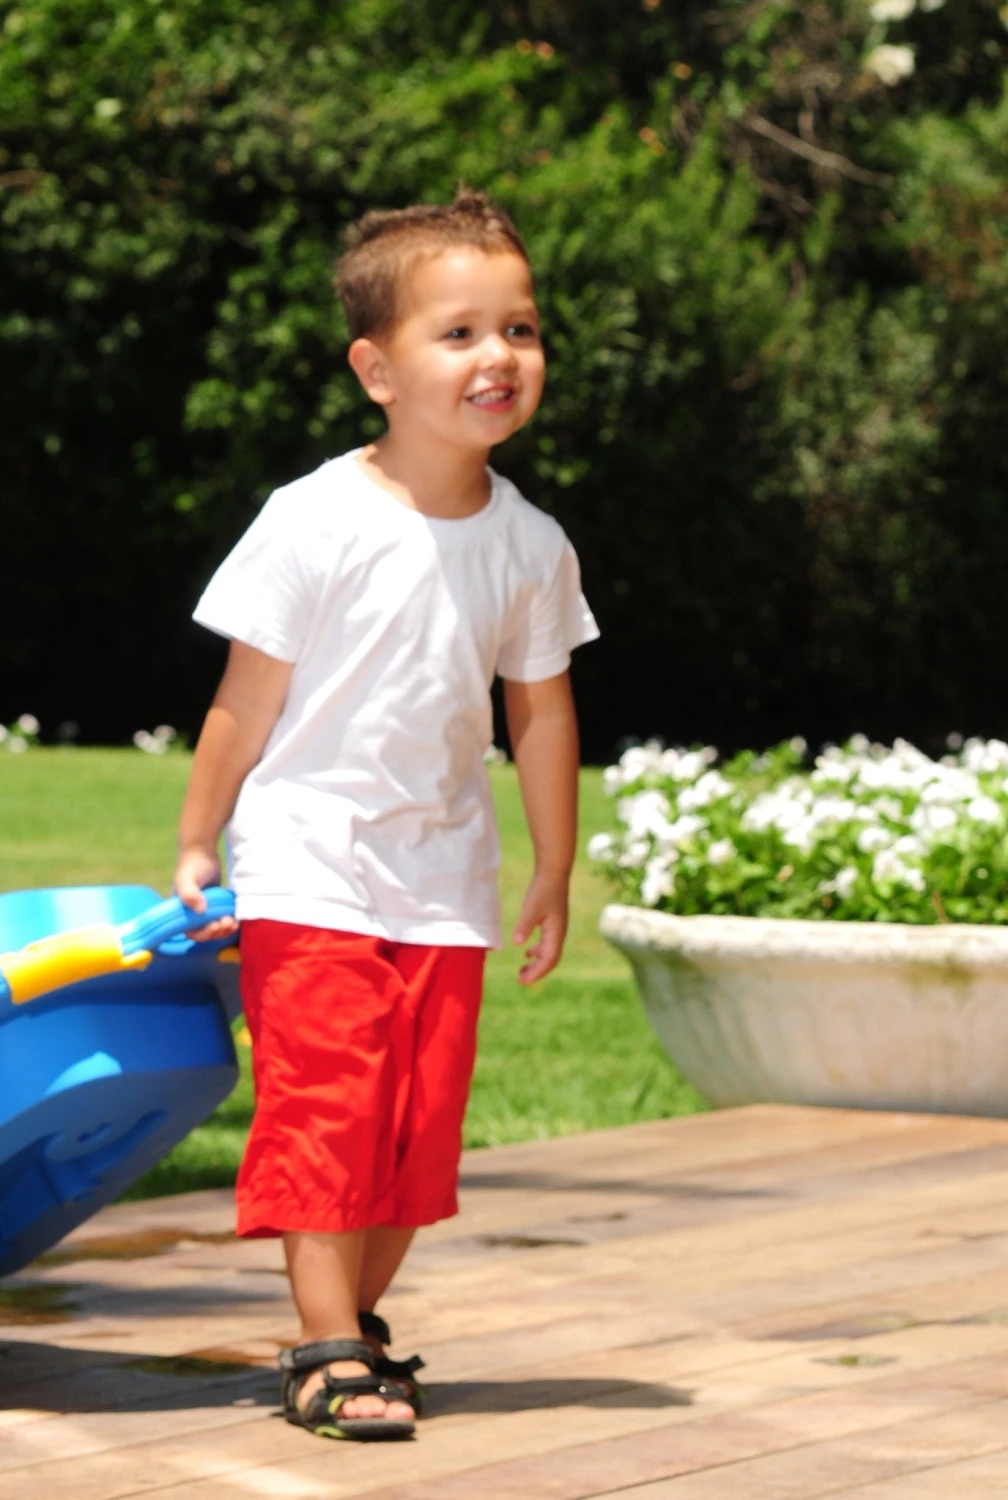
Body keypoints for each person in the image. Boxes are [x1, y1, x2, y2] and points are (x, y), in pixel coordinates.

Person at [172, 189, 599, 1441]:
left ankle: (349, 1331)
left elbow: (545, 717)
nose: (498, 357)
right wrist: (201, 837)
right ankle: (320, 1347)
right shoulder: (315, 518)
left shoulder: (530, 544)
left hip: (444, 879)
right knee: (330, 1107)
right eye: (458, 333)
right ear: (376, 369)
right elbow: (244, 703)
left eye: (517, 329)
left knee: (417, 1134)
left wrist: (553, 867)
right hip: (310, 865)